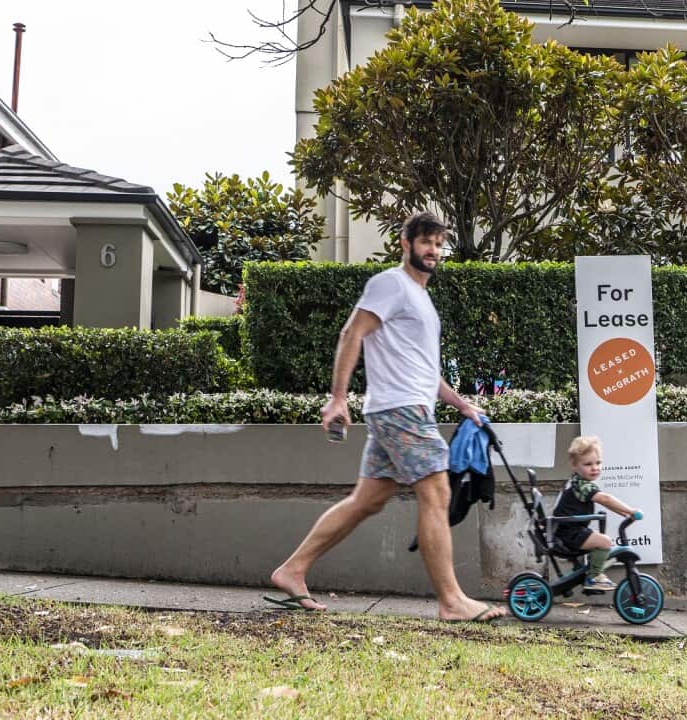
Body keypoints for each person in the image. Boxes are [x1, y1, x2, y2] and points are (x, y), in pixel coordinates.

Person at [266, 211, 505, 622]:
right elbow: (351, 333)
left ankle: (292, 571)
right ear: (405, 243)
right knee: (437, 492)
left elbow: (426, 373)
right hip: (401, 411)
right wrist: (337, 398)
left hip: (400, 407)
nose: (433, 249)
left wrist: (463, 405)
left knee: (367, 500)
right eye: (426, 241)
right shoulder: (390, 284)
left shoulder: (421, 299)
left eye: (438, 242)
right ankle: (452, 601)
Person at [554, 436, 640, 592]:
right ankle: (594, 577)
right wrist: (630, 510)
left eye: (598, 463)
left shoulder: (577, 482)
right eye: (588, 464)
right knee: (605, 542)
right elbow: (605, 499)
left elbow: (604, 501)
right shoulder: (583, 486)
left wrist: (624, 513)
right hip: (570, 534)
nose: (594, 468)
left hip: (569, 531)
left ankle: (592, 572)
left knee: (604, 542)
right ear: (574, 465)